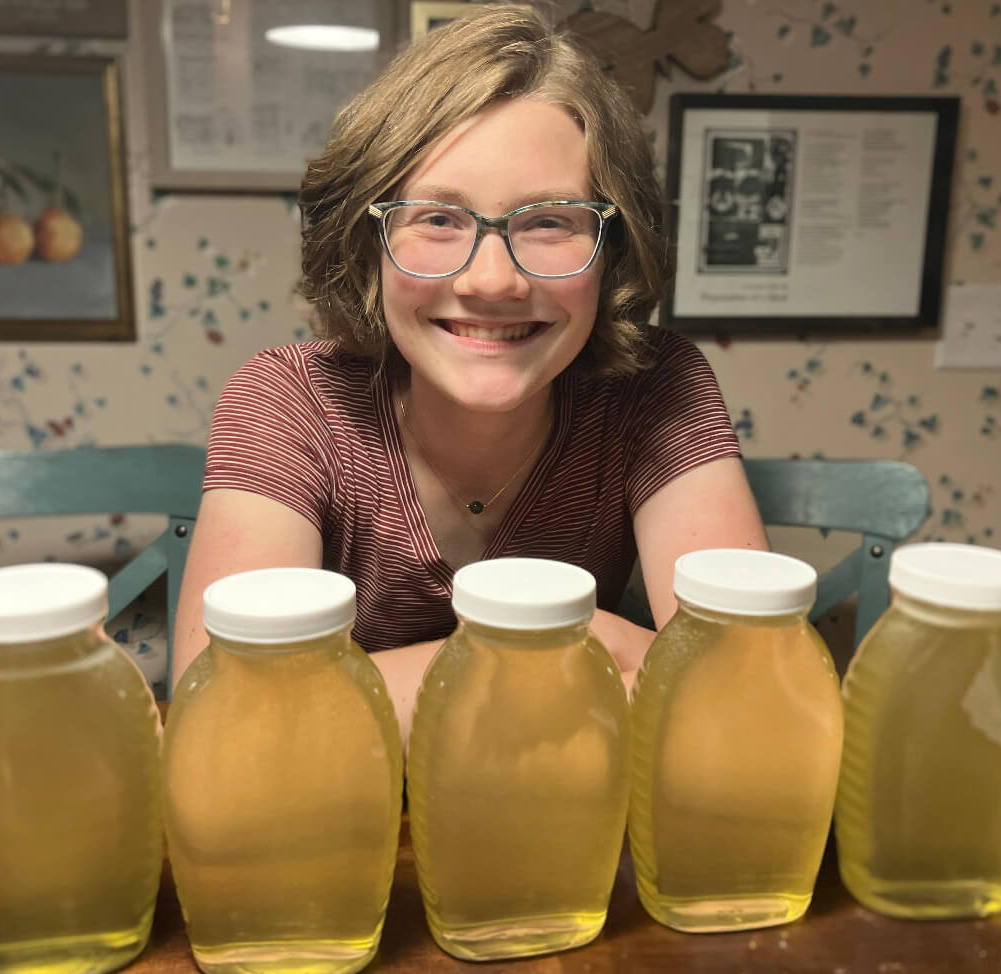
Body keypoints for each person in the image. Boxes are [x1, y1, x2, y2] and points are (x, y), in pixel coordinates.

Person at [171, 4, 768, 734]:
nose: (493, 282)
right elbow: (225, 712)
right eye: (438, 218)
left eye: (549, 220)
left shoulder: (656, 389)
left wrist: (321, 696)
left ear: (612, 245)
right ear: (368, 242)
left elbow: (744, 693)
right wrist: (584, 650)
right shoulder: (292, 399)